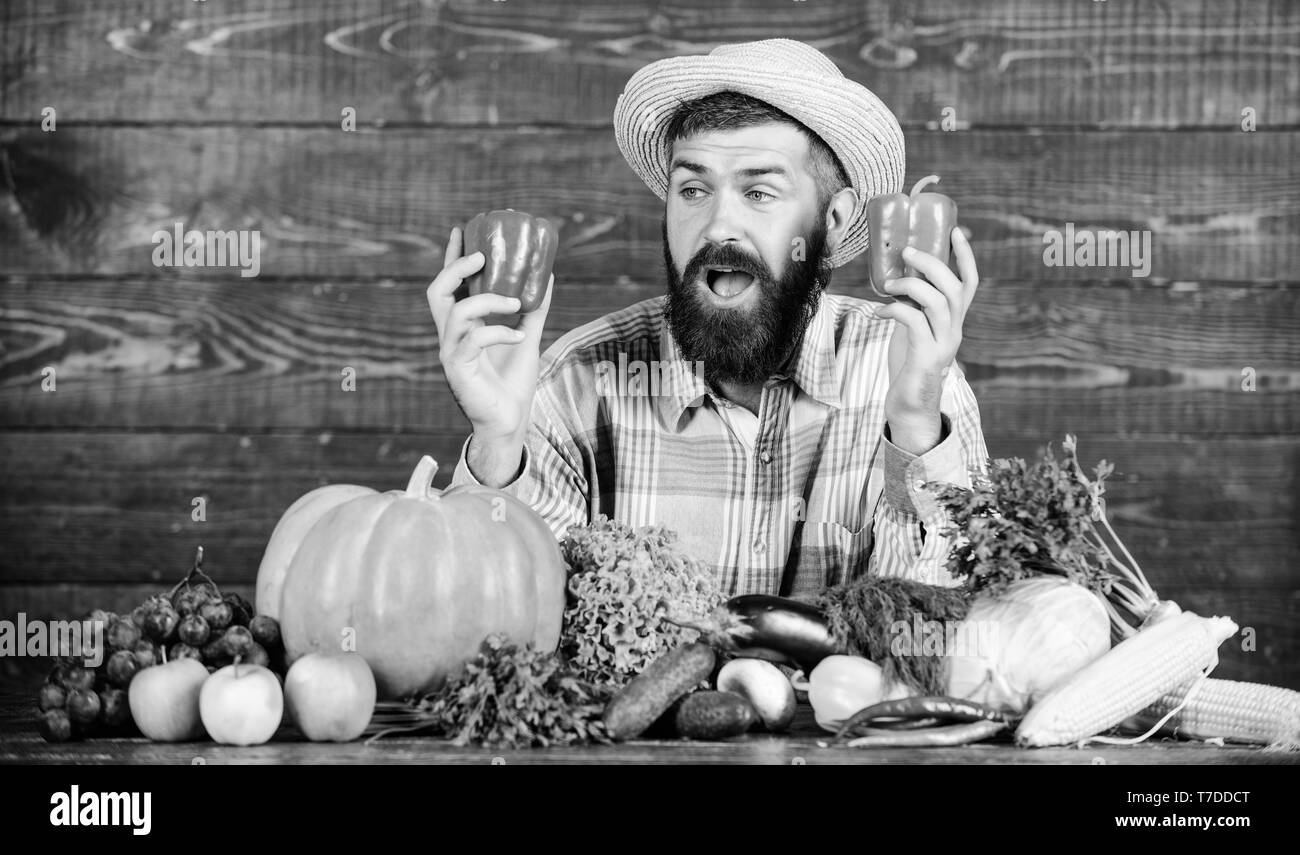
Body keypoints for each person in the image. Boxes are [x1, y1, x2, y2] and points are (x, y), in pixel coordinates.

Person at [427, 39, 987, 597]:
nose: (718, 226)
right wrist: (498, 442)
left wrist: (913, 427)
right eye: (692, 189)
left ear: (834, 222)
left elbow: (949, 632)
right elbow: (496, 626)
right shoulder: (571, 389)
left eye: (760, 192)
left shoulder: (910, 376)